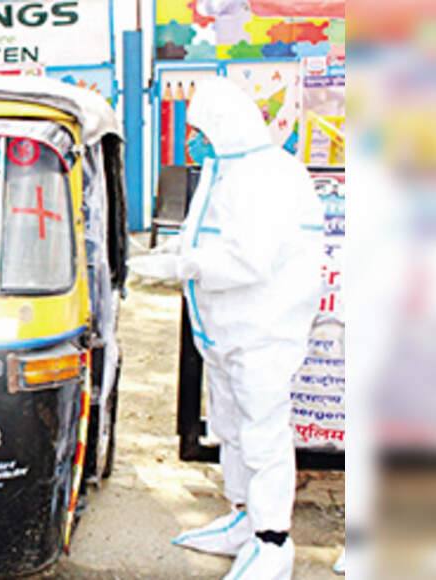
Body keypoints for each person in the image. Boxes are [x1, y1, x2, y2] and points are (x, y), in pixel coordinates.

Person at [128, 77, 324, 579]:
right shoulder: (225, 172)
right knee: (230, 429)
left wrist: (180, 267)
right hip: (225, 334)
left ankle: (272, 540)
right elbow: (205, 235)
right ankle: (243, 517)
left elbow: (249, 260)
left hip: (262, 334)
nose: (192, 140)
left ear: (224, 125)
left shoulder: (268, 175)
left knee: (262, 435)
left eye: (198, 130)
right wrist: (169, 252)